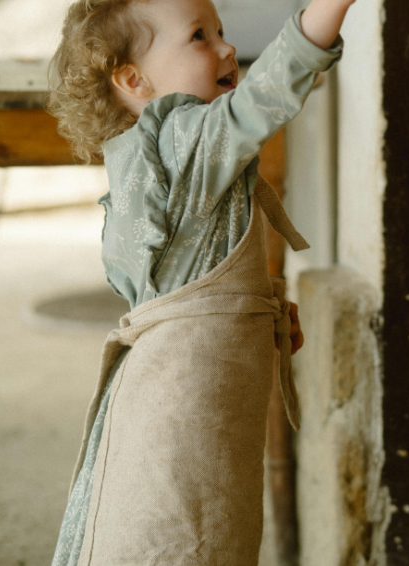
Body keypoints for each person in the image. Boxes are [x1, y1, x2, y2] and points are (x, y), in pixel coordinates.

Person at [46, 0, 354, 563]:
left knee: (147, 512)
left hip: (156, 380)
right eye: (198, 37)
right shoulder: (188, 137)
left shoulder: (132, 163)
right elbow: (270, 92)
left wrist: (253, 309)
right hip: (195, 389)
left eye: (221, 31)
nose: (226, 48)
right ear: (134, 79)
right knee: (202, 523)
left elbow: (179, 286)